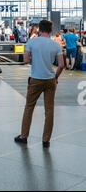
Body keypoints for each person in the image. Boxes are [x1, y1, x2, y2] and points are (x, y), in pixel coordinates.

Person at [14, 19, 64, 148]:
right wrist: (55, 77)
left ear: (39, 30)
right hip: (50, 80)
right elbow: (62, 65)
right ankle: (46, 140)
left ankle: (24, 136)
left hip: (36, 79)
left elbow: (25, 60)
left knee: (29, 107)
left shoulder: (32, 42)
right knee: (49, 110)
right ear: (51, 30)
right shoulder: (56, 45)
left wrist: (34, 60)